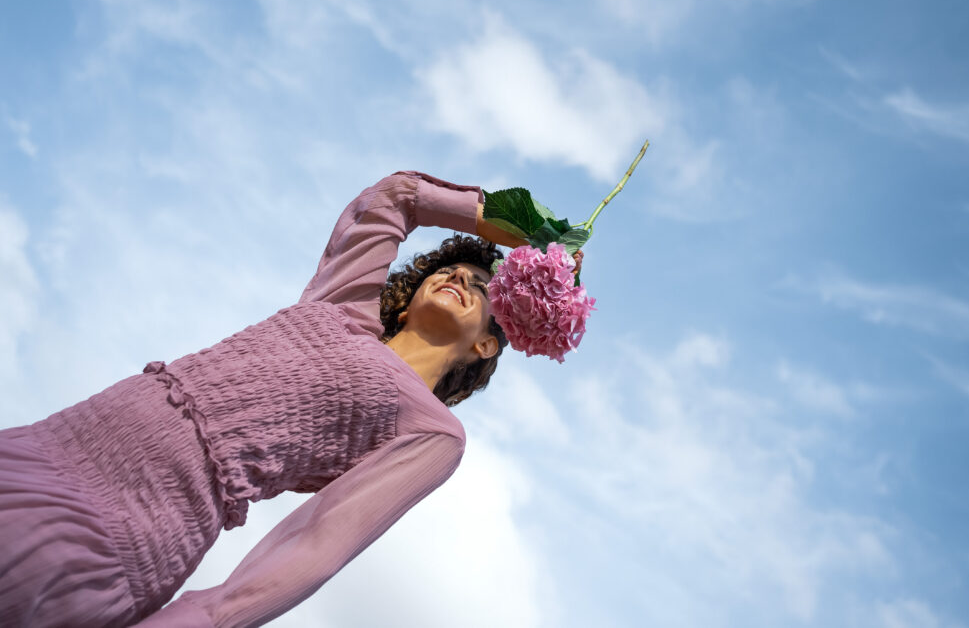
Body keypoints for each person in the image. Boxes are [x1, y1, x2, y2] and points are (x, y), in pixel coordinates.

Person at [0, 171, 562, 627]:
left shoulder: (432, 432)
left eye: (480, 287)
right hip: (43, 448)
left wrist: (202, 620)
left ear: (489, 341)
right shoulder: (340, 304)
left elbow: (315, 545)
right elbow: (397, 198)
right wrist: (521, 228)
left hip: (117, 534)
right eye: (451, 271)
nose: (460, 280)